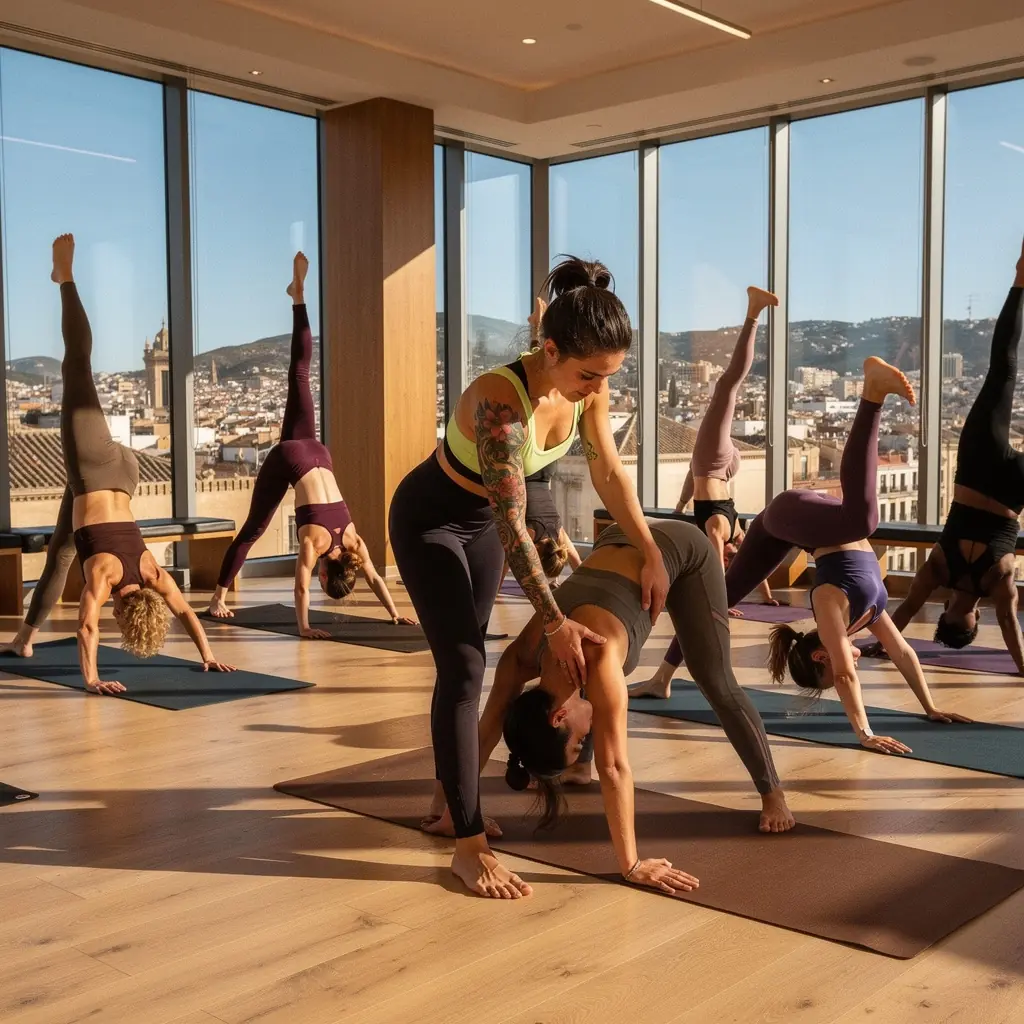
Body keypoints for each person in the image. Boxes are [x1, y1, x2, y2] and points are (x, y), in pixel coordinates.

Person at [389, 255, 670, 900]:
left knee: (471, 662)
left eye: (605, 376)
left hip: (483, 525)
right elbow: (517, 525)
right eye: (588, 374)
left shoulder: (585, 391)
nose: (595, 387)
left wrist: (649, 546)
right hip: (430, 520)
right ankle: (468, 845)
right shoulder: (498, 400)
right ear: (548, 348)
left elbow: (609, 475)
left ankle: (445, 803)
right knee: (462, 666)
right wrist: (554, 618)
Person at [480, 517, 794, 896]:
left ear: (557, 715)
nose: (584, 738)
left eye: (578, 743)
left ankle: (772, 793)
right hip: (619, 536)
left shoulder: (600, 659)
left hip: (679, 548)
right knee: (590, 701)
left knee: (715, 680)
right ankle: (578, 770)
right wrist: (452, 809)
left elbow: (613, 767)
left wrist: (630, 865)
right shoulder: (524, 654)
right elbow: (489, 722)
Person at [0, 234, 234, 694]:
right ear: (123, 609)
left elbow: (187, 612)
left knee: (60, 556)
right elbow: (85, 629)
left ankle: (25, 639)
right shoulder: (106, 577)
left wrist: (209, 654)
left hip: (126, 475)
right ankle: (65, 277)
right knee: (78, 367)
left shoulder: (153, 573)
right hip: (96, 468)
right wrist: (92, 681)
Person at [712, 357, 967, 750]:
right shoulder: (865, 615)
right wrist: (931, 707)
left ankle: (872, 396)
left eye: (828, 671)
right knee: (725, 595)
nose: (851, 663)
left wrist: (864, 734)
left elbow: (846, 675)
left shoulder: (828, 602)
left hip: (787, 514)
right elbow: (901, 652)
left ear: (820, 657)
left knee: (862, 521)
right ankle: (664, 675)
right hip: (813, 519)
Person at [207, 253, 413, 637]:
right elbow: (300, 585)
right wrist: (303, 627)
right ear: (325, 573)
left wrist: (395, 613)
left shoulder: (354, 542)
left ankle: (298, 297)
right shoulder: (315, 544)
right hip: (292, 457)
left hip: (318, 451)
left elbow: (374, 579)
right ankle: (218, 597)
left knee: (300, 373)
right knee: (252, 530)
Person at [864, 239, 1024, 670]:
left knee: (1003, 372)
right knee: (1002, 371)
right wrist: (883, 645)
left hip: (1011, 493)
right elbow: (902, 615)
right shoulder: (937, 573)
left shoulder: (998, 584)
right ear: (948, 615)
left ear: (974, 621)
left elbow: (1011, 625)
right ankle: (1020, 281)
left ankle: (1020, 281)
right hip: (975, 471)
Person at [633, 287, 778, 698]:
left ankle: (752, 313)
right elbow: (754, 562)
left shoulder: (725, 529)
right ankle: (753, 313)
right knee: (728, 386)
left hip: (714, 468)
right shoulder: (726, 529)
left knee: (728, 387)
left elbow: (729, 564)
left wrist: (737, 595)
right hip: (720, 466)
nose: (734, 556)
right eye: (734, 555)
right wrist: (755, 597)